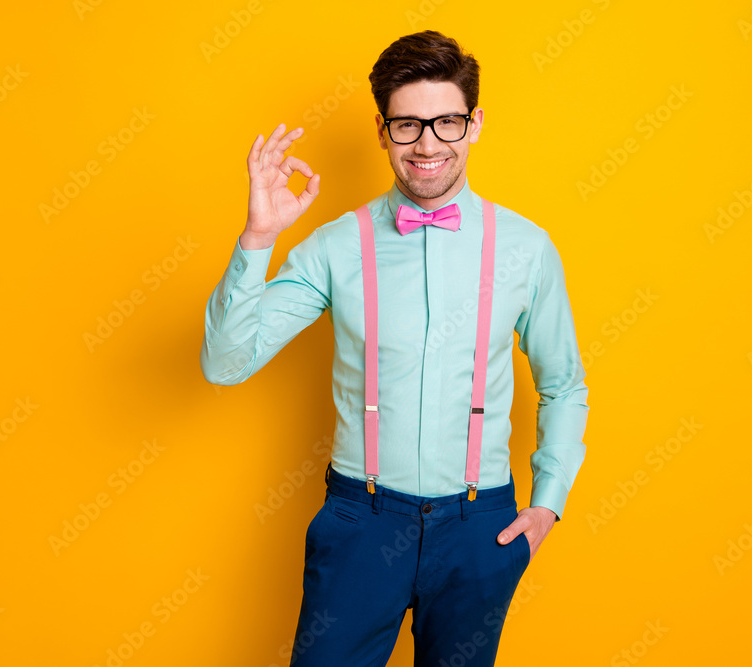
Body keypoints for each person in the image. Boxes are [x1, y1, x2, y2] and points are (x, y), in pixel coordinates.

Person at [200, 29, 589, 667]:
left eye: (446, 122)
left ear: (475, 123)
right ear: (383, 132)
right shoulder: (333, 246)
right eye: (408, 125)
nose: (428, 144)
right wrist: (257, 239)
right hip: (360, 523)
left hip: (478, 527)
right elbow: (224, 363)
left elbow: (564, 384)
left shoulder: (526, 248)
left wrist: (547, 504)